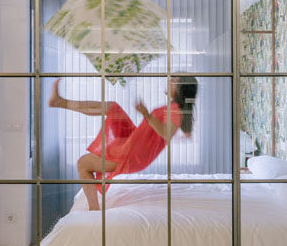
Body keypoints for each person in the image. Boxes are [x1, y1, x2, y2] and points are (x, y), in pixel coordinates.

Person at [48, 75, 198, 211]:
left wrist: (146, 114)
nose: (170, 80)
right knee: (112, 107)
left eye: (175, 80)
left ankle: (94, 209)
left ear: (181, 89)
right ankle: (60, 102)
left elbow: (166, 133)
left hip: (135, 152)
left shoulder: (176, 111)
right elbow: (180, 129)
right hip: (134, 139)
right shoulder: (174, 109)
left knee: (83, 163)